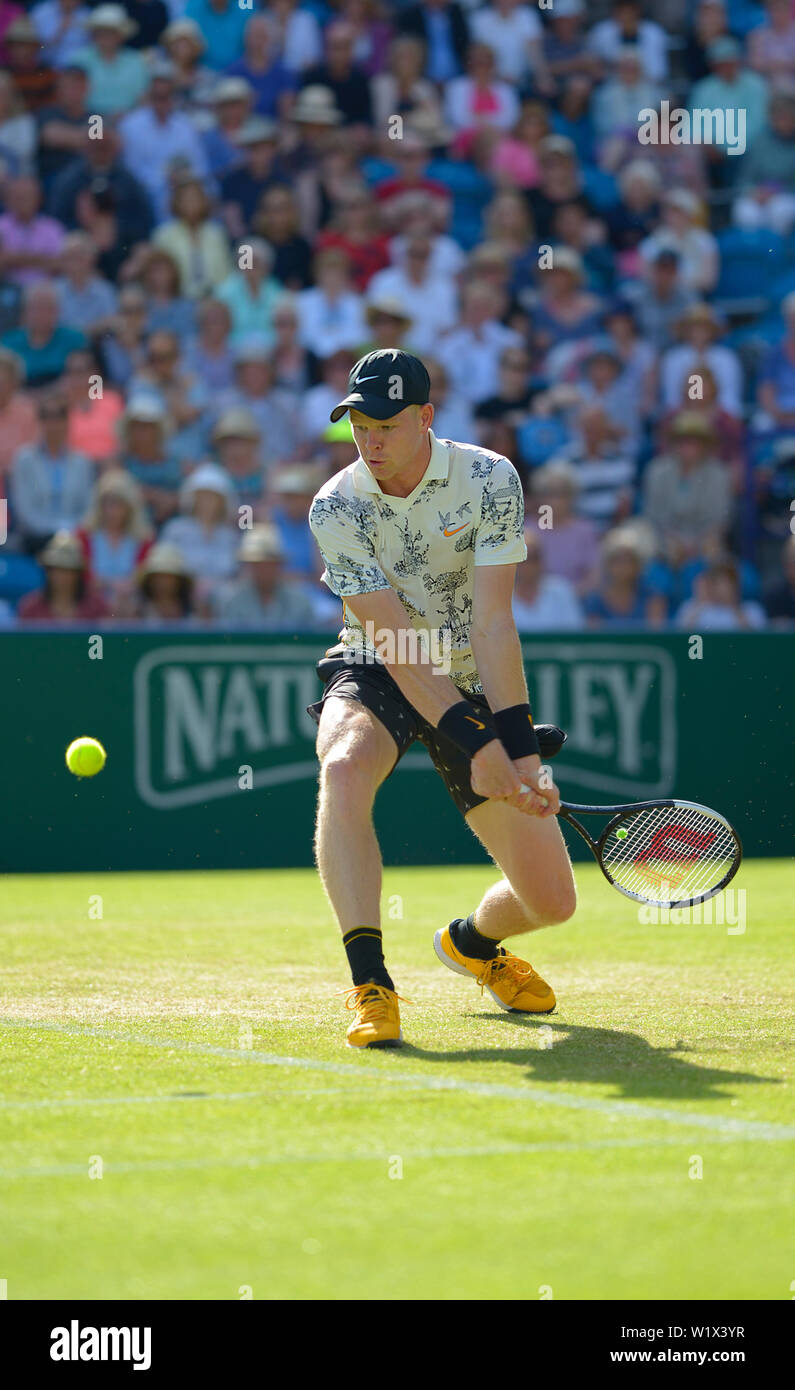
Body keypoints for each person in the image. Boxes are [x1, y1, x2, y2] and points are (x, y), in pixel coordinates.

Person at [306, 347, 575, 1049]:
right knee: (342, 765)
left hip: (464, 670)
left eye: (387, 425)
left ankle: (471, 945)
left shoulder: (490, 478)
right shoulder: (335, 504)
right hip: (376, 662)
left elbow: (491, 623)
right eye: (359, 424)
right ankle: (371, 983)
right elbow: (393, 644)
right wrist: (475, 742)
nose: (370, 440)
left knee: (552, 902)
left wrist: (514, 747)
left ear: (426, 417)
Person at [211, 521, 323, 627]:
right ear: (248, 566)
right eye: (257, 564)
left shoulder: (300, 602)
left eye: (269, 564)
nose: (263, 570)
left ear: (278, 565)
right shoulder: (232, 601)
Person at [76, 467, 153, 609]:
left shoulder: (143, 540)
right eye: (106, 503)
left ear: (130, 507)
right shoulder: (84, 536)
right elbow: (81, 579)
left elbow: (143, 579)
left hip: (130, 606)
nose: (111, 510)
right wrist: (111, 585)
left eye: (118, 504)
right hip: (91, 606)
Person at [17, 528, 108, 622]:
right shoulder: (31, 607)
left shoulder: (96, 606)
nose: (61, 576)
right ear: (47, 571)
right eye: (56, 569)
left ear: (77, 573)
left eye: (68, 570)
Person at [512, 527, 584, 630]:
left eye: (533, 558)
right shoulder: (499, 597)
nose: (528, 565)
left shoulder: (562, 591)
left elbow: (574, 635)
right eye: (522, 558)